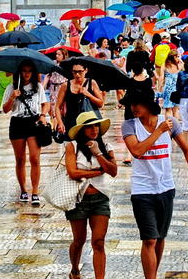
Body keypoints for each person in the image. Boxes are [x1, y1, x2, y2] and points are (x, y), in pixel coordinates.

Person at [122, 86, 188, 279]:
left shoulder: (170, 122)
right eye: (131, 104)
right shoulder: (129, 126)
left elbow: (187, 149)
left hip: (166, 187)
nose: (133, 107)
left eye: (137, 103)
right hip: (142, 190)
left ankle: (153, 274)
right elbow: (137, 152)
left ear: (149, 104)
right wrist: (158, 132)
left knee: (160, 238)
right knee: (149, 239)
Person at [63, 111, 118, 279]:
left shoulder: (106, 147)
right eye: (89, 127)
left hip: (100, 198)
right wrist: (98, 172)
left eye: (96, 126)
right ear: (81, 130)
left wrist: (98, 153)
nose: (94, 129)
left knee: (99, 241)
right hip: (78, 199)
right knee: (79, 240)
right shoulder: (72, 146)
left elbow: (113, 171)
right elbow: (72, 172)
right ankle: (74, 269)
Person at [4, 62, 53, 204]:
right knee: (20, 159)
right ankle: (23, 190)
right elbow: (6, 109)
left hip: (33, 122)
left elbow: (45, 103)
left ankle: (35, 191)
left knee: (35, 158)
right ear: (19, 72)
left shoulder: (37, 87)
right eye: (24, 70)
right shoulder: (12, 87)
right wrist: (12, 97)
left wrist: (43, 115)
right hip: (17, 122)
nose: (27, 73)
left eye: (29, 71)